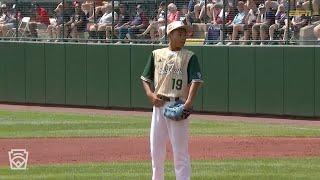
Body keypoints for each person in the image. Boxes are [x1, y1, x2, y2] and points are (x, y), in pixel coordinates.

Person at [141, 21, 203, 180]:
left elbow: (196, 80)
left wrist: (189, 102)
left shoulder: (189, 56)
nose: (183, 37)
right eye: (179, 33)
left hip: (177, 105)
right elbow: (145, 78)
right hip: (159, 105)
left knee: (180, 153)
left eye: (184, 34)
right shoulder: (156, 54)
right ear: (169, 35)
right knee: (156, 152)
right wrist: (150, 94)